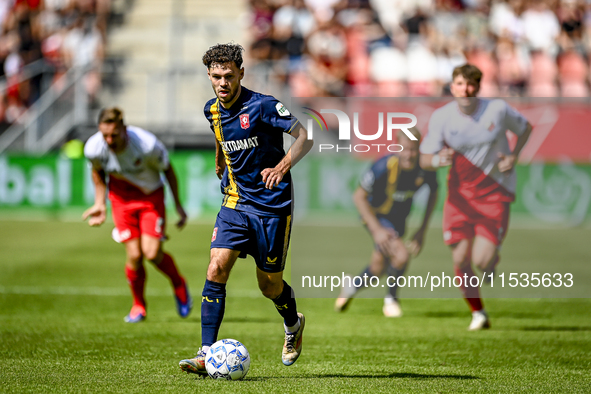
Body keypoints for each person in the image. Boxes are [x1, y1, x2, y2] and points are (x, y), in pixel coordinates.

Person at [179, 43, 313, 375]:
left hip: (272, 206)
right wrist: (219, 160)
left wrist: (281, 168)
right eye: (215, 76)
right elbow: (221, 136)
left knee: (269, 286)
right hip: (235, 203)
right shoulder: (211, 110)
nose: (222, 83)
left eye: (228, 75)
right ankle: (205, 352)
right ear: (209, 76)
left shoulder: (264, 105)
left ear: (241, 72)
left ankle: (293, 324)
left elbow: (305, 137)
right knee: (216, 267)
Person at [419, 64, 532, 330]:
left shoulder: (498, 110)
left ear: (478, 87)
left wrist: (514, 155)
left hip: (494, 194)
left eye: (471, 85)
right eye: (460, 84)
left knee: (481, 260)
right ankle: (478, 313)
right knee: (460, 260)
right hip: (459, 197)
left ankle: (491, 261)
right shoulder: (441, 117)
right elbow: (425, 159)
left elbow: (525, 128)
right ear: (452, 86)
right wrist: (437, 159)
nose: (465, 90)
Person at [82, 107, 192, 323]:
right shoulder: (94, 148)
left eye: (114, 134)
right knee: (134, 255)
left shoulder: (146, 145)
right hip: (121, 201)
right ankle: (138, 306)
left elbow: (168, 170)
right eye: (105, 135)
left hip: (150, 198)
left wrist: (178, 205)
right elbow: (97, 171)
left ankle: (178, 283)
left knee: (151, 253)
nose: (109, 140)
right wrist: (99, 203)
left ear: (124, 128)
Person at [335, 129, 438, 317]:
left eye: (413, 150)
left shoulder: (424, 169)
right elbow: (359, 197)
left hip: (399, 219)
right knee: (401, 255)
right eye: (404, 149)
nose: (409, 154)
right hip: (376, 217)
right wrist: (377, 230)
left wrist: (422, 230)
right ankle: (391, 301)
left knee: (377, 268)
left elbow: (434, 192)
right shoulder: (383, 166)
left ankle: (351, 287)